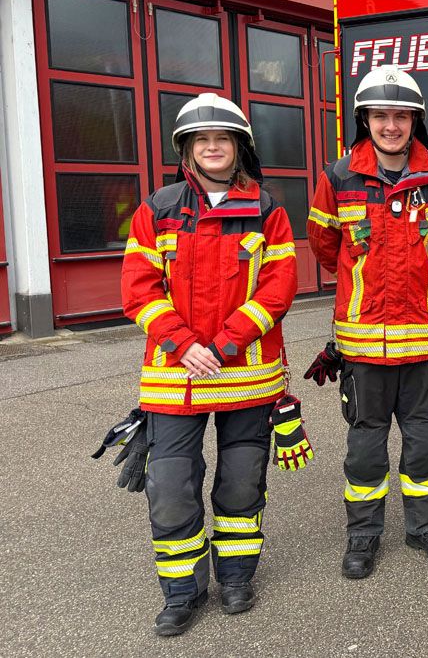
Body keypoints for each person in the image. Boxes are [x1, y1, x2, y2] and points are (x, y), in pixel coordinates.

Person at [120, 93, 299, 636]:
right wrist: (181, 344)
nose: (213, 147)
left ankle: (237, 577)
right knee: (171, 486)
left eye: (222, 139)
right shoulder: (158, 209)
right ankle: (182, 592)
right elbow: (138, 289)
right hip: (176, 376)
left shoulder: (266, 210)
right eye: (202, 140)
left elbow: (278, 290)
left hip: (246, 375)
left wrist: (223, 345)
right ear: (187, 150)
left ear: (239, 147)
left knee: (242, 481)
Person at [307, 65, 428, 579]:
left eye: (401, 116)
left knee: (425, 443)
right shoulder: (338, 178)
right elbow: (325, 247)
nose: (391, 126)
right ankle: (363, 535)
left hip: (424, 343)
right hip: (363, 345)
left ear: (416, 121)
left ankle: (426, 528)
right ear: (365, 120)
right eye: (380, 116)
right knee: (365, 448)